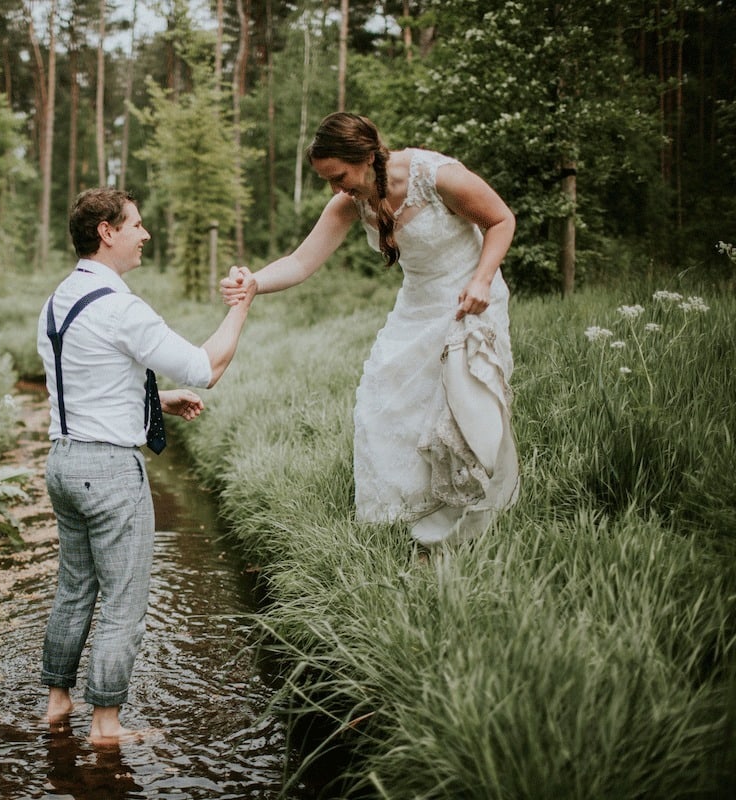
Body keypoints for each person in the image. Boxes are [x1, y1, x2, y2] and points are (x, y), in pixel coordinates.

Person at [222, 112, 519, 553]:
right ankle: (415, 526)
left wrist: (481, 279)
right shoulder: (350, 201)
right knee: (384, 410)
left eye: (339, 176)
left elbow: (501, 220)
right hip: (417, 307)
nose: (336, 189)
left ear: (364, 156)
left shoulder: (436, 176)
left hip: (470, 297)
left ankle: (476, 528)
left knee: (463, 410)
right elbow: (302, 262)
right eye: (327, 180)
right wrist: (254, 283)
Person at [37, 188, 257, 743]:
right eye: (136, 224)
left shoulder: (58, 299)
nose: (145, 233)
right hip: (111, 470)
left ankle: (57, 703)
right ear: (107, 232)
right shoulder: (121, 306)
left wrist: (158, 401)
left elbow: (84, 384)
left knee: (74, 590)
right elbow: (206, 367)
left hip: (63, 464)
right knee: (124, 603)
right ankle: (106, 725)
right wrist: (242, 306)